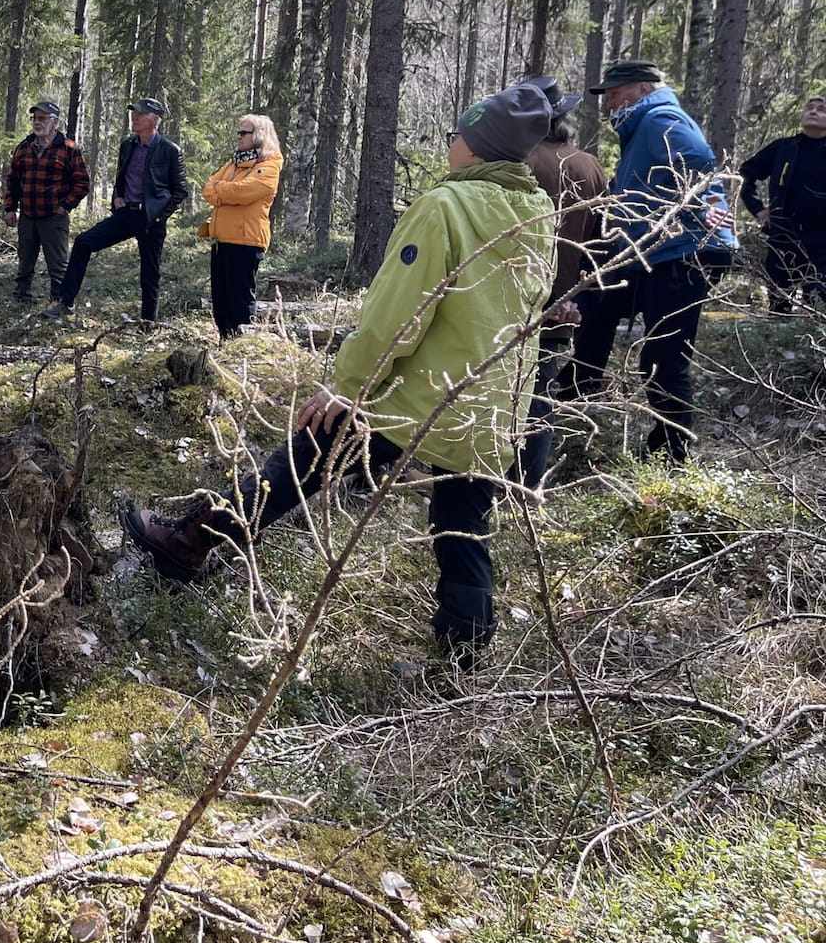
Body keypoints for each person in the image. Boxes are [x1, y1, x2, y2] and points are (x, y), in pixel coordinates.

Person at [123, 82, 558, 657]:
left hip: (408, 392)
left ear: (475, 148)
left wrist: (344, 387)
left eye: (457, 136)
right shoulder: (539, 209)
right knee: (463, 521)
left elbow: (395, 317)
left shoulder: (444, 207)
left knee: (303, 458)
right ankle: (467, 645)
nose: (450, 144)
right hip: (486, 401)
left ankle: (188, 542)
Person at [558, 60, 737, 463]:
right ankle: (574, 402)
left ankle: (673, 456)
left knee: (663, 357)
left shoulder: (662, 118)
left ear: (642, 89)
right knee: (597, 305)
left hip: (683, 253)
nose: (610, 105)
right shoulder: (643, 127)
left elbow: (698, 165)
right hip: (653, 253)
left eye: (616, 95)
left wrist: (704, 209)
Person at [517, 81, 607, 487]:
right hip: (563, 304)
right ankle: (528, 488)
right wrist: (580, 300)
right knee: (539, 397)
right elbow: (602, 243)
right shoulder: (589, 166)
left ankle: (480, 483)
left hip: (506, 304)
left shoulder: (515, 162)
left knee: (491, 394)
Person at [46, 97, 187, 323]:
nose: (135, 117)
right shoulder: (127, 145)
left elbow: (180, 190)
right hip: (126, 214)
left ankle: (148, 322)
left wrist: (160, 217)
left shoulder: (169, 150)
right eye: (134, 113)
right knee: (84, 242)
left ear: (155, 120)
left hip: (151, 219)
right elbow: (121, 178)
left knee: (150, 273)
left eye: (140, 114)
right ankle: (65, 302)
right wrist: (117, 197)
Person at [739, 94, 826, 313]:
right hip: (782, 237)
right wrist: (758, 210)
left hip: (822, 242)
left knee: (818, 304)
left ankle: (812, 346)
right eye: (810, 108)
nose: (813, 111)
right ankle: (774, 344)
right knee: (778, 303)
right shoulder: (784, 148)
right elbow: (745, 176)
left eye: (822, 109)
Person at [199, 113, 283, 338]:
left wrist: (222, 190)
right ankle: (224, 342)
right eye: (239, 132)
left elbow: (244, 191)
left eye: (244, 132)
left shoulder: (270, 164)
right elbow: (208, 189)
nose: (239, 137)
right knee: (221, 301)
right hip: (220, 240)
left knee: (240, 301)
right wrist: (225, 191)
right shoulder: (234, 162)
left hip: (246, 241)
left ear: (259, 135)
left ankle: (241, 346)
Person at [3, 100, 91, 303]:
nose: (37, 122)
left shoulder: (69, 149)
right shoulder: (23, 148)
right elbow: (13, 180)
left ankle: (59, 302)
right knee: (25, 261)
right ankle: (21, 297)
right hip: (27, 216)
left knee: (57, 264)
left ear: (55, 122)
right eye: (35, 118)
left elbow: (82, 183)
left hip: (54, 218)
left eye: (42, 118)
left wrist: (66, 205)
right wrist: (10, 208)